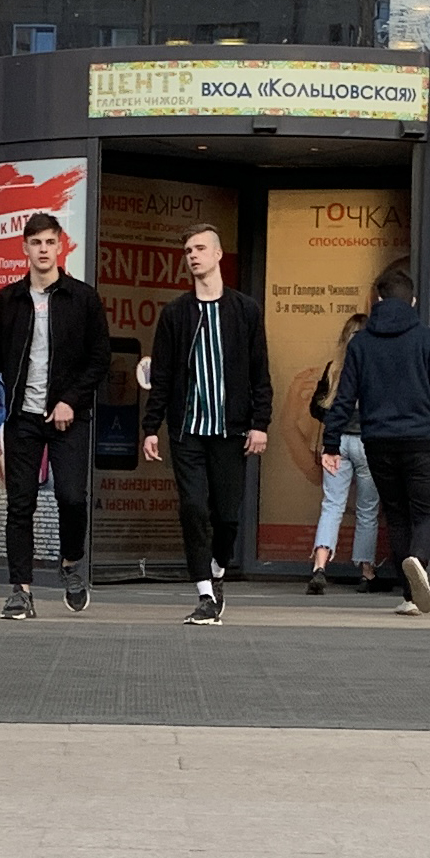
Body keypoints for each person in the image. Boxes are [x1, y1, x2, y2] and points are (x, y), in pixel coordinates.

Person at [139, 224, 269, 624]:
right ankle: (205, 594)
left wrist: (260, 423)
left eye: (200, 248)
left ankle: (217, 568)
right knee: (193, 507)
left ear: (217, 255)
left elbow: (259, 372)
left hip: (231, 431)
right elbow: (161, 376)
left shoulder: (244, 310)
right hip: (187, 431)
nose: (193, 255)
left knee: (227, 515)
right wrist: (150, 427)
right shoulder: (176, 313)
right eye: (188, 250)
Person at [0, 211, 103, 617]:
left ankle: (70, 563)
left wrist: (71, 400)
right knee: (20, 504)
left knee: (71, 497)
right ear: (25, 249)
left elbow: (99, 359)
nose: (43, 250)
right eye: (36, 243)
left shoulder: (83, 298)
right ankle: (20, 590)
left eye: (50, 242)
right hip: (21, 418)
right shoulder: (6, 300)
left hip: (69, 415)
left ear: (61, 245)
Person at [322, 264, 430, 617]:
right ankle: (419, 561)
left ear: (378, 300)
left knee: (397, 516)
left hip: (377, 442)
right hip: (419, 441)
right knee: (427, 513)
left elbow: (344, 397)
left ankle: (410, 596)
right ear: (413, 301)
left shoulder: (361, 344)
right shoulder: (428, 340)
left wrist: (330, 443)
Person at [303, 313, 382, 596]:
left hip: (336, 444)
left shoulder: (334, 368)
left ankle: (320, 567)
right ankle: (366, 572)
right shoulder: (376, 367)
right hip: (368, 444)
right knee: (368, 510)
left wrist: (335, 417)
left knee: (332, 505)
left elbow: (316, 408)